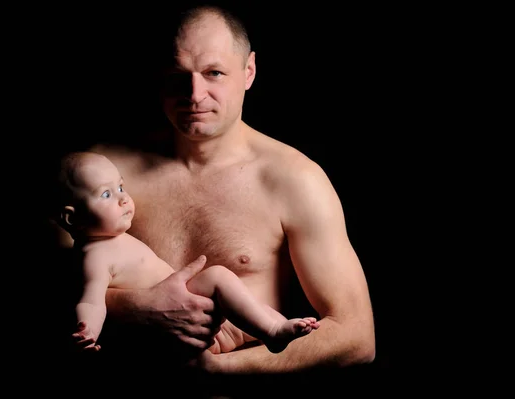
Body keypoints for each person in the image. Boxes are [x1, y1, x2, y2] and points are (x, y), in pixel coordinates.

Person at [47, 3, 375, 384]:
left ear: (248, 71)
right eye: (177, 75)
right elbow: (42, 290)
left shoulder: (295, 180)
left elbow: (356, 337)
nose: (194, 93)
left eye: (214, 73)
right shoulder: (102, 173)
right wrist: (131, 308)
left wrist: (216, 371)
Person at [54, 150, 319, 355]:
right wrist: (87, 331)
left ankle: (276, 326)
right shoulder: (95, 257)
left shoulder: (113, 238)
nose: (123, 199)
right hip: (171, 334)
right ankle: (272, 330)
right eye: (106, 195)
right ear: (71, 218)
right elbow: (91, 300)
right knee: (217, 277)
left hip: (193, 319)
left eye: (121, 188)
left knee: (250, 308)